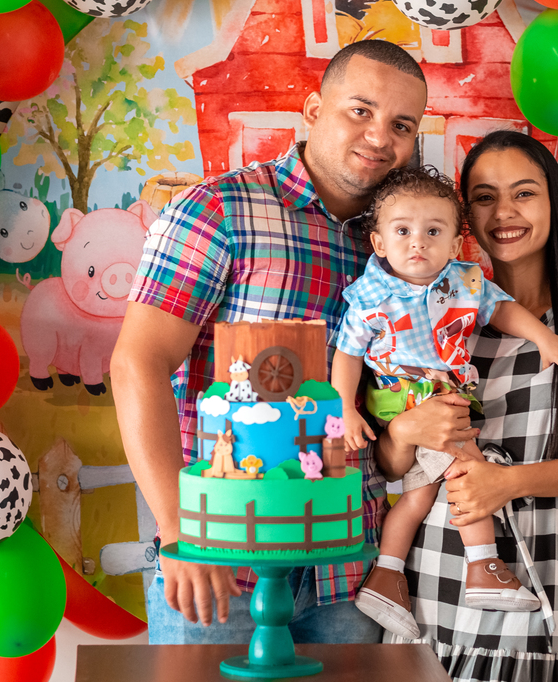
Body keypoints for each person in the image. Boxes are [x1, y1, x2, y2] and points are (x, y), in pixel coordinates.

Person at [110, 39, 477, 645]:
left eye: (401, 125)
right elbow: (137, 364)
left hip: (349, 565)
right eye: (360, 110)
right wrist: (180, 532)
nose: (379, 137)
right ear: (312, 109)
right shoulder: (221, 209)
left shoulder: (401, 241)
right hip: (223, 557)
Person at [374, 130, 558, 682]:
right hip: (432, 559)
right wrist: (404, 431)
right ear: (465, 218)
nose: (504, 212)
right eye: (484, 197)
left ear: (554, 201)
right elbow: (389, 465)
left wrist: (509, 482)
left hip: (536, 556)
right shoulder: (434, 312)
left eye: (524, 193)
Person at [330, 166, 558, 639]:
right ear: (379, 242)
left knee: (419, 494)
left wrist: (544, 337)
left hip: (446, 394)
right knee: (468, 468)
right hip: (405, 397)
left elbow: (502, 309)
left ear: (454, 244)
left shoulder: (464, 281)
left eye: (433, 232)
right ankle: (483, 566)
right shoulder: (370, 296)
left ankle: (386, 577)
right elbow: (347, 354)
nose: (417, 243)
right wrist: (344, 408)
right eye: (402, 231)